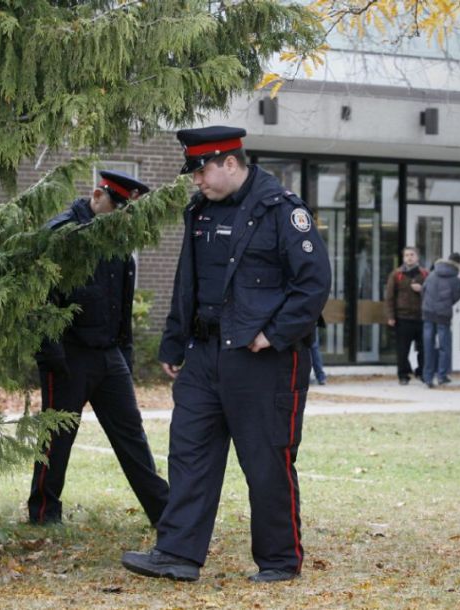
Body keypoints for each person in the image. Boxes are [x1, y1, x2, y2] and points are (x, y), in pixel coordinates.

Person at [120, 126, 331, 584]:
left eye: (201, 171)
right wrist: (175, 340)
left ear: (230, 163)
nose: (196, 181)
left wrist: (272, 335)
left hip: (264, 360)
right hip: (205, 354)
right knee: (190, 452)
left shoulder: (281, 211)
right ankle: (177, 554)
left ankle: (279, 560)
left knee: (265, 460)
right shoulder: (200, 211)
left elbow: (313, 284)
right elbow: (189, 281)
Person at [29, 170, 170, 528]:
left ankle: (165, 513)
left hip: (109, 356)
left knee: (132, 436)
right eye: (118, 207)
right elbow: (40, 301)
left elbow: (122, 308)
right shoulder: (61, 234)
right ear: (97, 195)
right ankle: (44, 512)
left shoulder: (118, 243)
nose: (123, 216)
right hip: (68, 357)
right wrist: (51, 356)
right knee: (57, 439)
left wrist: (125, 355)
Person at [384, 247, 428, 385]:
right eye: (406, 255)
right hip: (403, 317)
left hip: (421, 317)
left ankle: (422, 372)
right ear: (403, 258)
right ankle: (403, 375)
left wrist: (422, 289)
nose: (409, 257)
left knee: (423, 348)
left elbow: (432, 293)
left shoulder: (425, 274)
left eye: (412, 255)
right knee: (402, 349)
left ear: (417, 257)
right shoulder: (397, 275)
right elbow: (390, 297)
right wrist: (390, 316)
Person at [421, 252, 460, 388]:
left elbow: (423, 290)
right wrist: (446, 304)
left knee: (428, 345)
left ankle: (428, 377)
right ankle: (442, 376)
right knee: (445, 346)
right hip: (443, 314)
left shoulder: (432, 274)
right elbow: (458, 296)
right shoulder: (455, 279)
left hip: (428, 313)